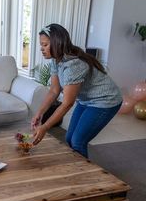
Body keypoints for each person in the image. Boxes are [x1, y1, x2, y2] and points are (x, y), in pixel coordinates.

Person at [31, 24, 122, 158]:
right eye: (41, 45)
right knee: (69, 138)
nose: (41, 49)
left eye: (45, 45)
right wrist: (39, 113)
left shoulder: (73, 65)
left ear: (57, 44)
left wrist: (45, 127)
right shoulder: (56, 60)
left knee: (78, 141)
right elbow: (54, 90)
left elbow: (67, 103)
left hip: (105, 100)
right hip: (86, 100)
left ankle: (82, 176)